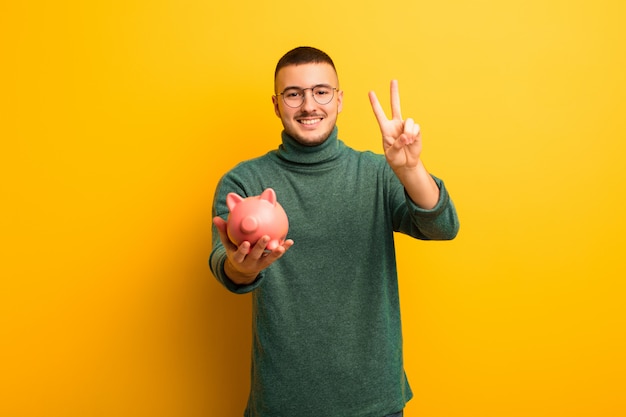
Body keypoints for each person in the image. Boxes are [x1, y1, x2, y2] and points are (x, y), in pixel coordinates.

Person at [210, 46, 459, 417]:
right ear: (277, 105)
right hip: (282, 402)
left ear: (339, 100)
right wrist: (243, 269)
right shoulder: (245, 180)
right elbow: (224, 264)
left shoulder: (375, 173)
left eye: (321, 91)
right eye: (294, 94)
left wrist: (409, 169)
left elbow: (442, 227)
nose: (309, 105)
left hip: (375, 401)